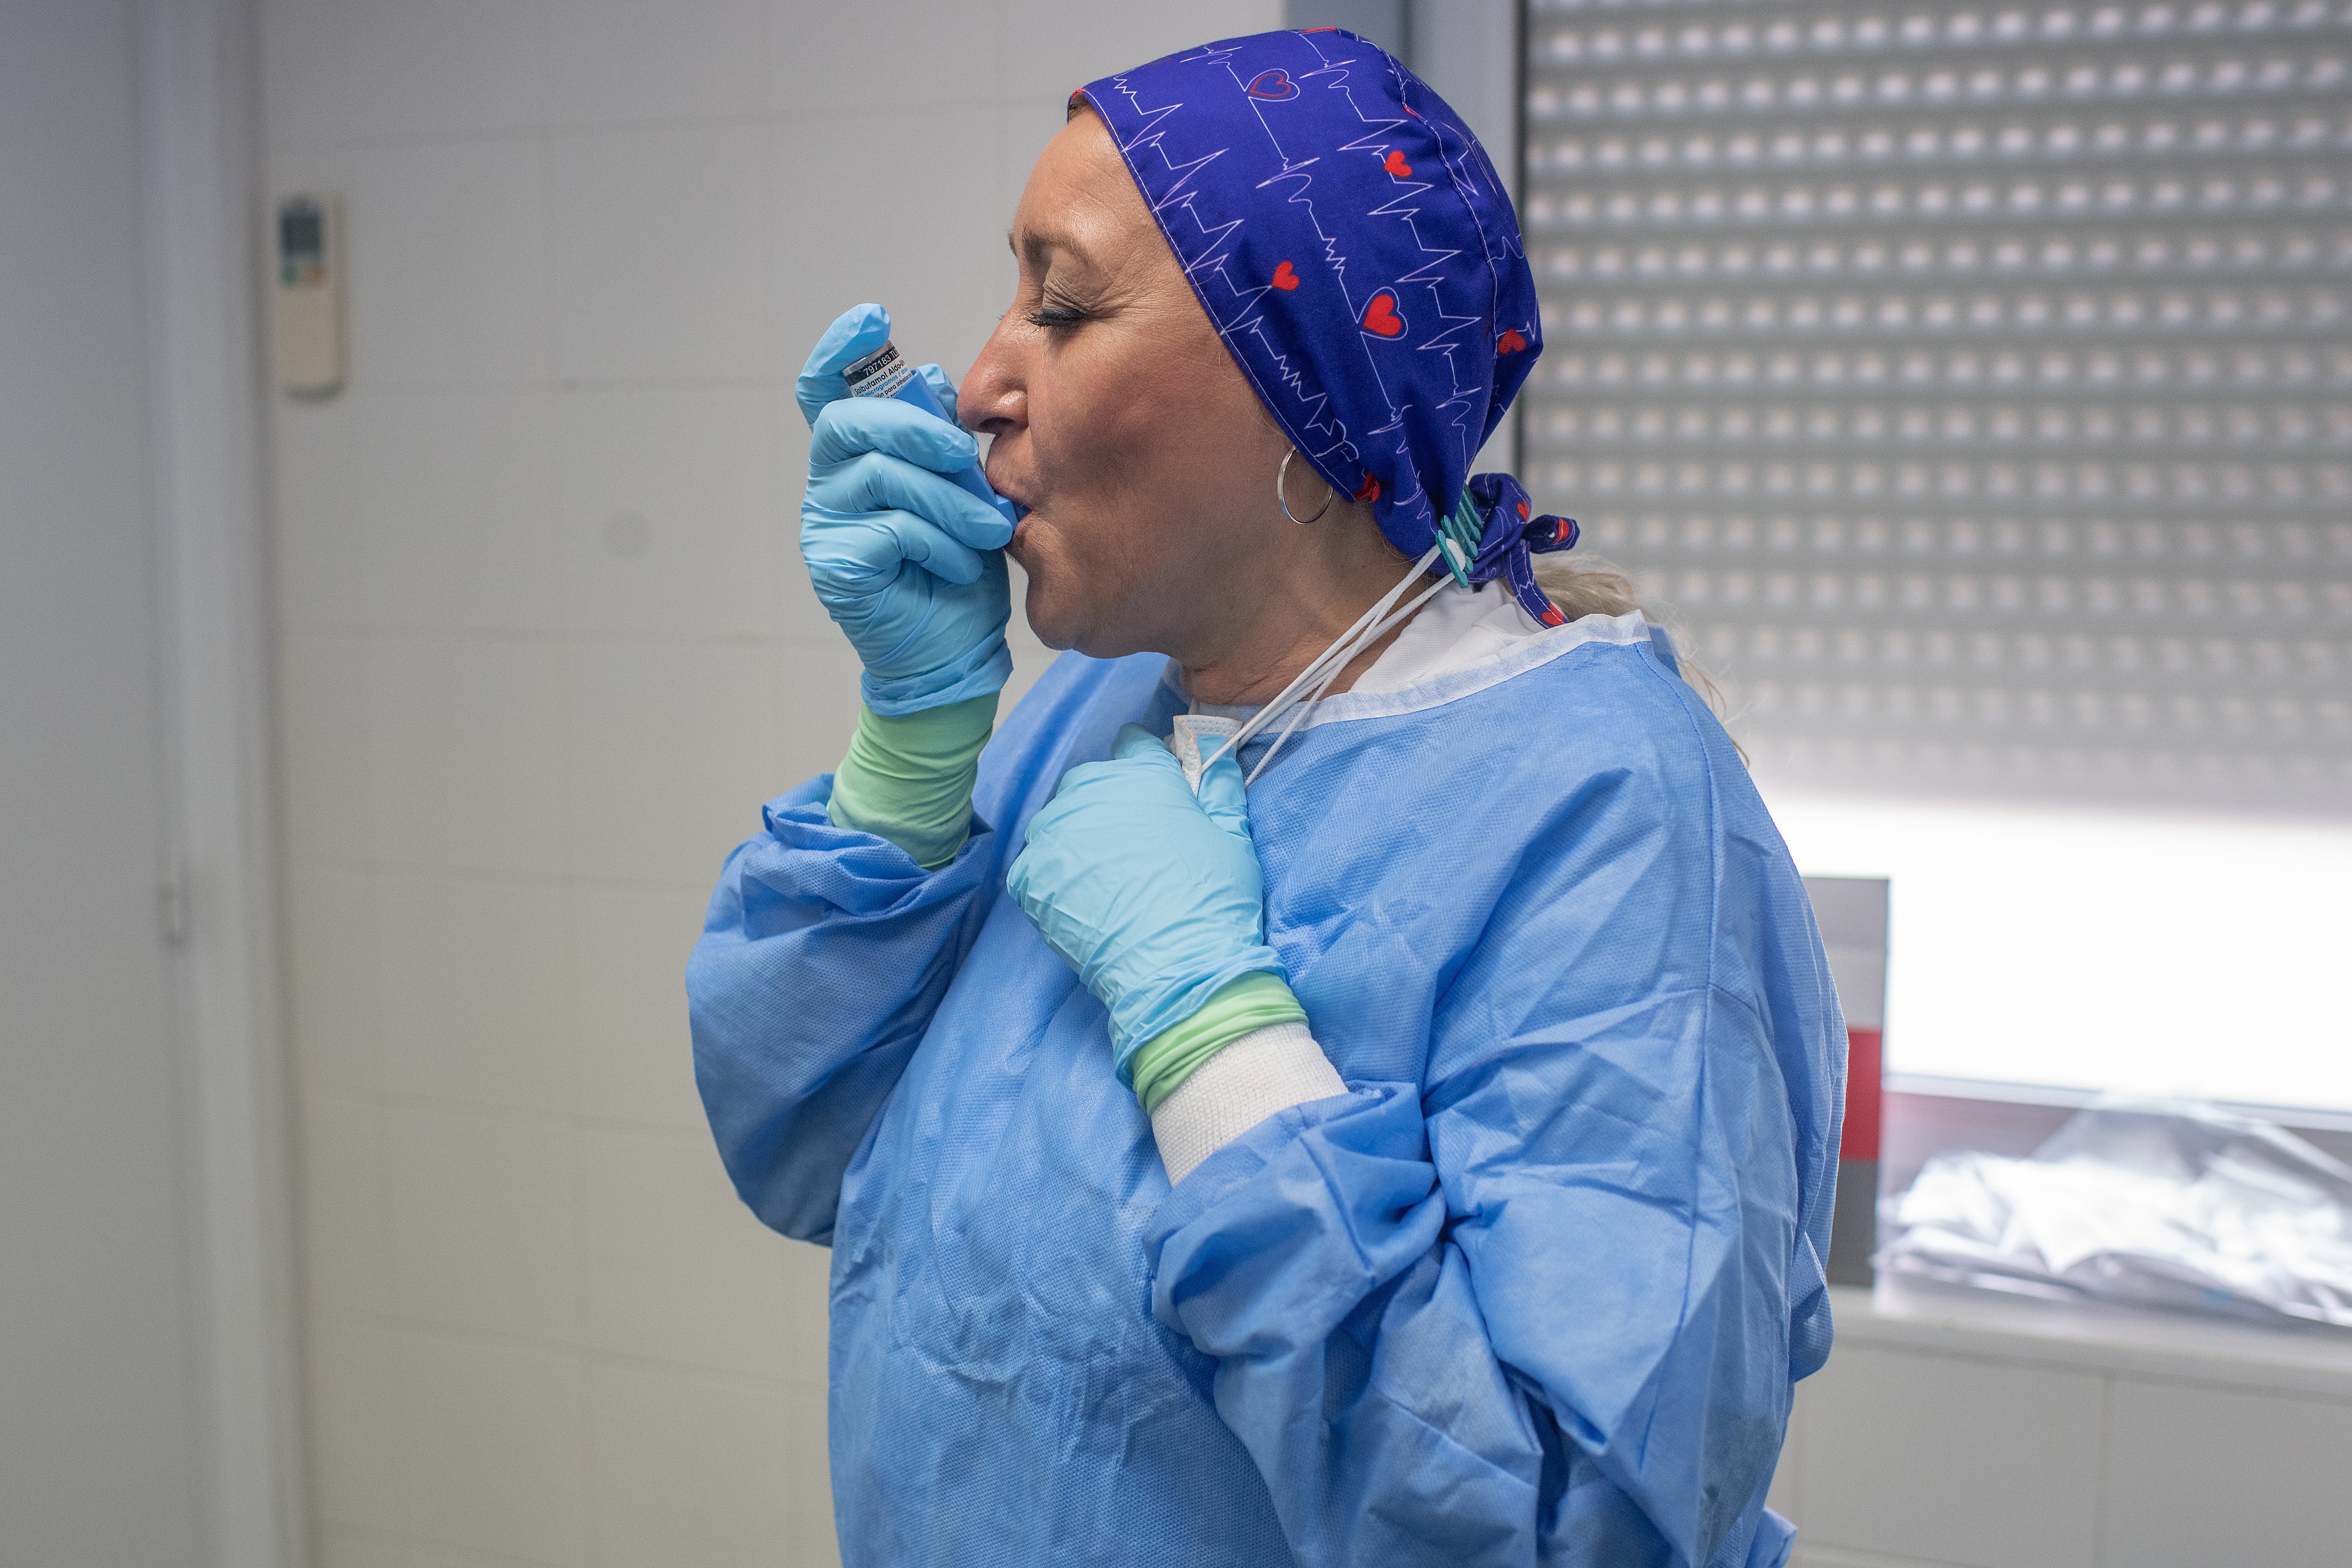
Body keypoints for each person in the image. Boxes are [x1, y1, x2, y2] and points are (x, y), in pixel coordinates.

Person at [689, 27, 1844, 1568]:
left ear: (1298, 376)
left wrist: (1215, 1042)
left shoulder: (1611, 817)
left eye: (1065, 304)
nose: (980, 384)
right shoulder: (1111, 715)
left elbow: (1575, 1537)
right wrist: (912, 753)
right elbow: (808, 1149)